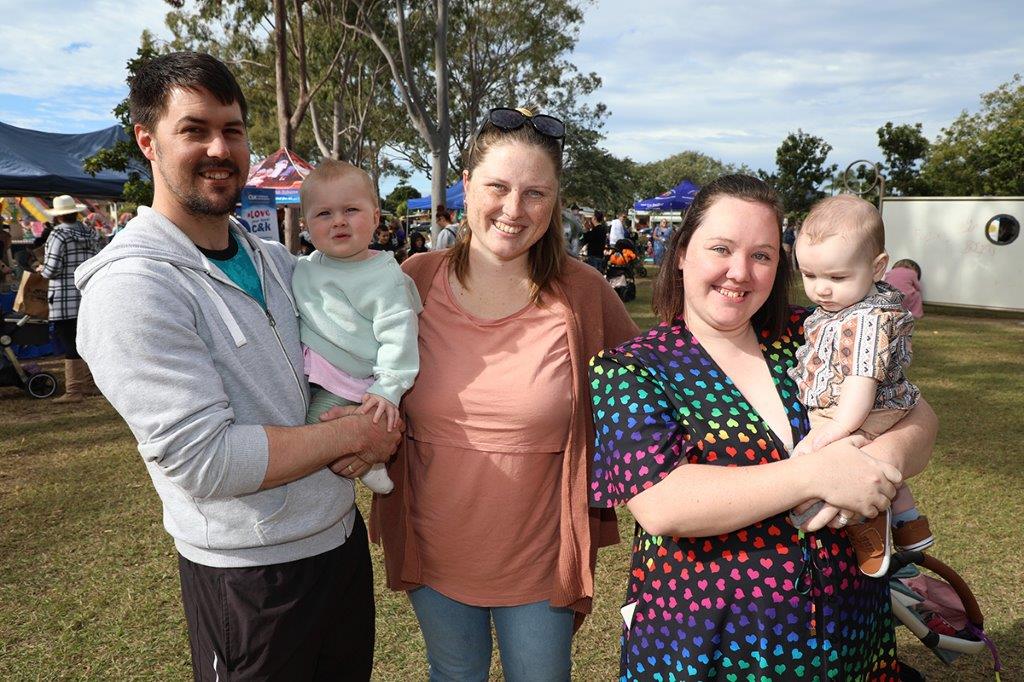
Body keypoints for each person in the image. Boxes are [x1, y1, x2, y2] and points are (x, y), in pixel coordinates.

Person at [75, 52, 398, 680]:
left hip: (338, 543)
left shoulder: (279, 262)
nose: (219, 148)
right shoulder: (132, 289)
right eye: (194, 130)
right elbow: (206, 460)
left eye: (233, 129)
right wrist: (359, 431)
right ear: (148, 141)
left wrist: (390, 410)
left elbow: (355, 351)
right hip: (248, 577)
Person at [589, 174, 937, 681]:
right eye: (721, 248)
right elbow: (663, 504)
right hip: (712, 645)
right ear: (682, 251)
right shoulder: (633, 368)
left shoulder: (812, 332)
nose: (740, 271)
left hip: (848, 631)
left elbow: (918, 414)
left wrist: (879, 462)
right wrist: (818, 476)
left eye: (763, 255)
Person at [372, 106, 638, 681]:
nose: (514, 210)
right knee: (452, 674)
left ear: (555, 201)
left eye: (535, 194)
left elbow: (655, 386)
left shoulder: (583, 292)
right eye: (498, 187)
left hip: (540, 558)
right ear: (466, 186)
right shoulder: (413, 279)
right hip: (434, 543)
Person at [788, 196, 933, 578]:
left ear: (877, 267)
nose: (821, 289)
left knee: (834, 464)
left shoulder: (865, 319)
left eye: (836, 277)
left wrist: (839, 430)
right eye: (809, 275)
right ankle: (908, 520)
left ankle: (870, 525)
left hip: (857, 409)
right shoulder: (843, 308)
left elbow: (861, 379)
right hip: (859, 406)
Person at [294, 159, 422, 495]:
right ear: (306, 225)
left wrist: (388, 388)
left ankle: (371, 463)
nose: (338, 221)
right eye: (324, 214)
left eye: (351, 210)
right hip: (306, 370)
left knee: (315, 430)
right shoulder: (304, 267)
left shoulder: (383, 275)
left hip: (348, 379)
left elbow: (399, 336)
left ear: (376, 218)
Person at [41, 195, 104, 402]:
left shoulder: (58, 234)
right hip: (87, 295)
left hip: (63, 299)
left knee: (69, 342)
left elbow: (52, 269)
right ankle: (91, 384)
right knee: (86, 341)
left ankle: (74, 390)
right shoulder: (88, 231)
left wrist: (41, 269)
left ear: (58, 217)